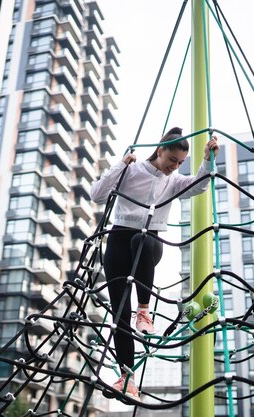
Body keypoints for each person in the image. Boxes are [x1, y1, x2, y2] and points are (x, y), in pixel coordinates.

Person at [90, 127, 219, 401]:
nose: (175, 167)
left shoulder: (172, 182)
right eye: (172, 159)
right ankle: (127, 378)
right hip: (117, 243)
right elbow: (97, 195)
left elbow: (199, 185)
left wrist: (207, 159)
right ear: (160, 151)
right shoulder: (132, 171)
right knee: (118, 314)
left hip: (149, 245)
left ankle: (145, 310)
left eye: (180, 162)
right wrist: (120, 166)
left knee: (142, 239)